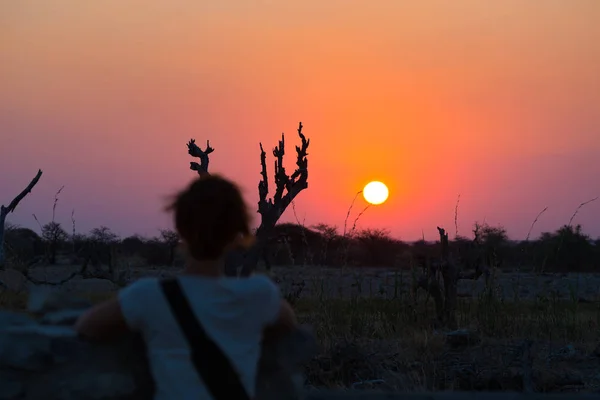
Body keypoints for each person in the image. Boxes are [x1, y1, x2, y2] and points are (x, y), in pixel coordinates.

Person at [75, 174, 298, 400]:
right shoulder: (259, 294)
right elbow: (287, 322)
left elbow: (87, 326)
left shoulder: (149, 296)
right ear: (237, 234)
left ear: (181, 228)